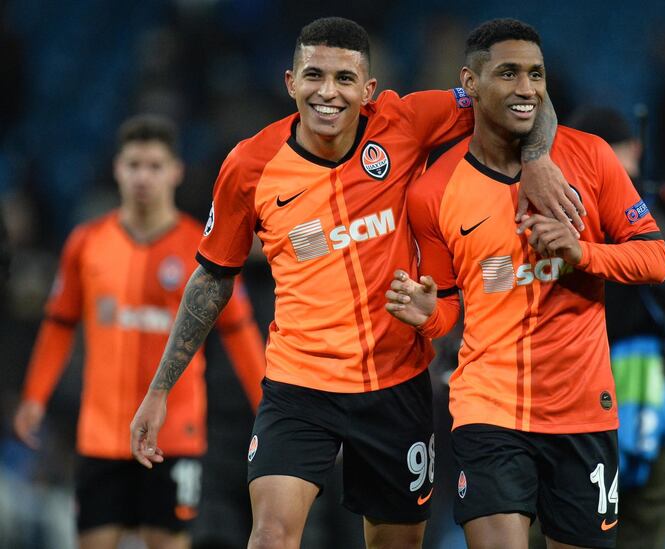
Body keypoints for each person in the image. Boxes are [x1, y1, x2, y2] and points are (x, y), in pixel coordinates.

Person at [129, 16, 584, 549]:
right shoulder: (250, 165)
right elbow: (211, 280)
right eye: (314, 76)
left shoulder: (405, 122)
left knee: (397, 543)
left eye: (344, 79)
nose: (328, 92)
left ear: (367, 89)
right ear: (290, 83)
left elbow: (523, 96)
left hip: (395, 384)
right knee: (271, 534)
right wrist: (159, 390)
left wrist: (536, 160)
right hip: (300, 386)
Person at [385, 19, 665, 549]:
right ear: (469, 82)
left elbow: (656, 259)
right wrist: (429, 314)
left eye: (536, 74)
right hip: (488, 410)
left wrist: (579, 252)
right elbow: (449, 308)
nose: (526, 88)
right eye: (509, 73)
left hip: (583, 410)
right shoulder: (433, 192)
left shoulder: (590, 157)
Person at [13, 114, 266, 549]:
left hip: (176, 435)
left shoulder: (204, 249)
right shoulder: (86, 243)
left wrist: (270, 405)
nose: (143, 177)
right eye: (133, 165)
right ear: (117, 169)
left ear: (175, 171)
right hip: (100, 435)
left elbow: (240, 334)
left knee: (166, 542)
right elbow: (58, 325)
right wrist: (34, 396)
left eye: (154, 165)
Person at [568, 105, 665, 549]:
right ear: (635, 147)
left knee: (565, 531)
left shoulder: (558, 223)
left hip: (576, 405)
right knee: (645, 534)